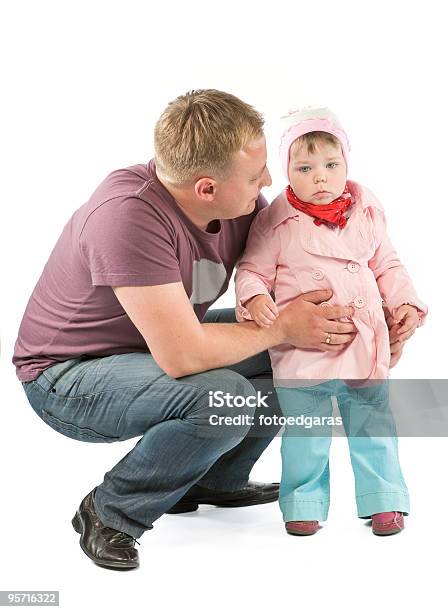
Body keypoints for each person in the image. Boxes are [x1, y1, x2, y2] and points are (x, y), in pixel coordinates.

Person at [13, 92, 402, 571]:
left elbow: (301, 270)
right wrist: (282, 325)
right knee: (224, 396)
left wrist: (372, 323)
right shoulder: (126, 217)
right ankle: (112, 511)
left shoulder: (245, 206)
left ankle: (215, 479)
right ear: (205, 188)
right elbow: (183, 356)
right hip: (68, 376)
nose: (268, 181)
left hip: (155, 344)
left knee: (302, 362)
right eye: (255, 174)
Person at [235, 107, 427, 537]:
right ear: (286, 171)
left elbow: (388, 265)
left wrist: (404, 304)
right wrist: (254, 296)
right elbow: (252, 270)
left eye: (330, 165)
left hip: (363, 344)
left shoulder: (367, 212)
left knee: (373, 427)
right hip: (306, 350)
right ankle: (303, 501)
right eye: (305, 167)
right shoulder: (276, 222)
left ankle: (385, 500)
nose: (319, 177)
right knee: (305, 433)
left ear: (346, 165)